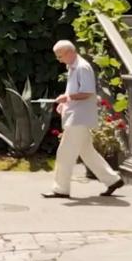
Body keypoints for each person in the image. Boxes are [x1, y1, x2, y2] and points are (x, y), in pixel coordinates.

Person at [42, 40, 125, 199]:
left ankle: (61, 189)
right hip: (77, 116)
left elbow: (87, 92)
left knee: (65, 153)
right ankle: (113, 180)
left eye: (60, 56)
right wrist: (65, 103)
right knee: (87, 152)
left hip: (78, 119)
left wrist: (66, 98)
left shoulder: (82, 67)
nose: (59, 60)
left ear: (69, 52)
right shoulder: (74, 67)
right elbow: (76, 93)